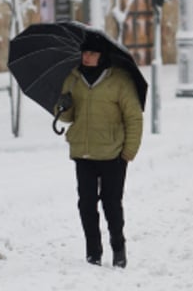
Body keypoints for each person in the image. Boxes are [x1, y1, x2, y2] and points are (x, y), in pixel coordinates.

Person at [55, 30, 143, 268]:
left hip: (113, 153)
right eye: (85, 52)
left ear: (102, 55)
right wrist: (62, 107)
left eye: (92, 53)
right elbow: (67, 116)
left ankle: (118, 246)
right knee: (86, 204)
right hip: (83, 152)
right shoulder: (73, 79)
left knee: (111, 203)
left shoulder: (120, 80)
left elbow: (134, 117)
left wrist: (128, 152)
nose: (87, 57)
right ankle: (93, 251)